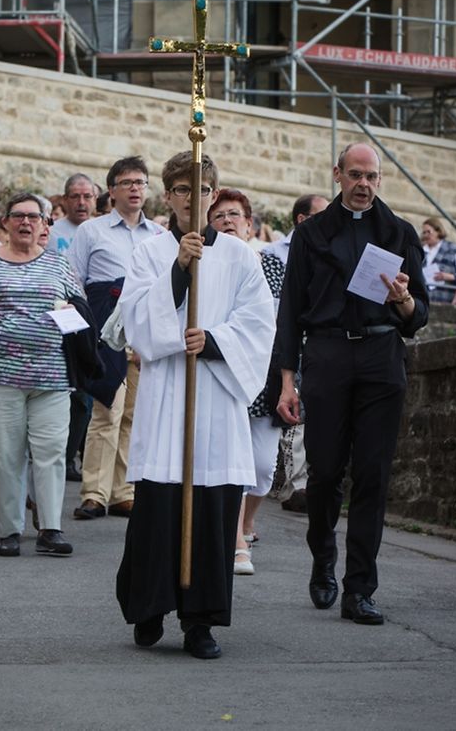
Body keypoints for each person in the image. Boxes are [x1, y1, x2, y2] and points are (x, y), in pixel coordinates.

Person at [114, 151, 275, 661]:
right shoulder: (149, 251)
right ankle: (149, 607)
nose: (192, 199)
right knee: (159, 507)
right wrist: (180, 268)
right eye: (182, 190)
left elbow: (258, 324)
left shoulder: (240, 256)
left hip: (216, 397)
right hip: (167, 394)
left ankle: (200, 621)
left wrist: (214, 340)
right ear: (168, 195)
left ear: (213, 195)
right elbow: (136, 319)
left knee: (211, 510)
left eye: (201, 190)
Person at [275, 142, 429, 626]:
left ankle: (360, 587)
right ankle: (323, 558)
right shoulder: (312, 234)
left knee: (374, 476)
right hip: (327, 356)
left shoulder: (399, 232)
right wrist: (286, 381)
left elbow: (418, 316)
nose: (364, 184)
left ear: (380, 180)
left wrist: (403, 300)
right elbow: (289, 314)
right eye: (355, 174)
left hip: (381, 357)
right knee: (324, 473)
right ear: (337, 174)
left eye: (372, 176)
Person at [0, 192, 85, 558]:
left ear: (45, 225)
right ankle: (10, 529)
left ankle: (51, 528)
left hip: (52, 377)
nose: (26, 222)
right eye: (18, 216)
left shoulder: (59, 264)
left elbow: (80, 309)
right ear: (6, 223)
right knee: (4, 455)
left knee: (51, 453)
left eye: (34, 217)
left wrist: (72, 312)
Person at [68, 156, 164, 522]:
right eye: (128, 183)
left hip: (142, 328)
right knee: (106, 410)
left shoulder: (158, 235)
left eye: (141, 182)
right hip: (104, 327)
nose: (136, 189)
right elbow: (74, 281)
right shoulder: (92, 231)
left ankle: (124, 491)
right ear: (112, 190)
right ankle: (94, 492)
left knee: (134, 415)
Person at [206, 189, 282, 577]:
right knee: (233, 464)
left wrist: (291, 382)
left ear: (250, 225)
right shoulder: (209, 267)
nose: (227, 221)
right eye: (218, 217)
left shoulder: (272, 268)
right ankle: (235, 541)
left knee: (263, 466)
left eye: (234, 215)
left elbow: (288, 329)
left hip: (268, 380)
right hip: (225, 375)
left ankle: (247, 523)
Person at [262, 194, 327, 516]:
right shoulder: (273, 254)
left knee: (310, 411)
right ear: (303, 219)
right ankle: (295, 484)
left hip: (317, 338)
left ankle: (303, 484)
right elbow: (278, 300)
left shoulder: (328, 250)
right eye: (322, 214)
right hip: (283, 339)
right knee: (292, 409)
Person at [49, 173, 96, 253]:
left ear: (95, 199)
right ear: (65, 199)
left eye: (87, 196)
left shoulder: (104, 232)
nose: (81, 202)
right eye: (75, 197)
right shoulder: (51, 232)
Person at [420, 217, 456, 304]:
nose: (426, 235)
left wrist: (450, 277)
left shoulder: (453, 249)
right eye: (424, 232)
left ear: (438, 231)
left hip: (444, 298)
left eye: (429, 232)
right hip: (423, 299)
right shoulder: (420, 250)